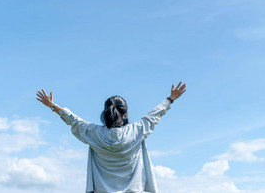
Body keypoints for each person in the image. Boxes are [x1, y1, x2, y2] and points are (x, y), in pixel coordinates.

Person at [36, 81, 186, 193]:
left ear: (105, 112)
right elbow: (154, 115)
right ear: (125, 113)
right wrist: (170, 99)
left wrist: (53, 105)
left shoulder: (94, 133)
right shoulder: (137, 130)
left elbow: (73, 120)